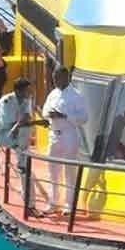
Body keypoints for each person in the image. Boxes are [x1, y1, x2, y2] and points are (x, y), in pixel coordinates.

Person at [41, 67, 88, 215]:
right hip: (54, 134)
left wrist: (64, 116)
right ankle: (54, 202)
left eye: (57, 77)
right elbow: (44, 111)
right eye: (54, 77)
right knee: (53, 171)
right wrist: (49, 115)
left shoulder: (76, 96)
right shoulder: (52, 94)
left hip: (69, 135)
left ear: (66, 78)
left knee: (69, 172)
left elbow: (84, 118)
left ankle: (69, 204)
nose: (55, 80)